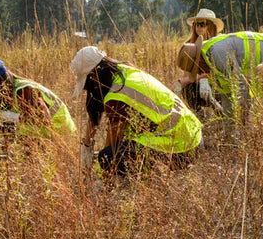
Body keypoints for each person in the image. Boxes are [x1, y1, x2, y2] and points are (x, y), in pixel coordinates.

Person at [71, 46, 202, 176]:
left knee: (108, 156)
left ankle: (155, 176)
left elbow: (112, 146)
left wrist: (102, 179)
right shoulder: (126, 71)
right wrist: (86, 145)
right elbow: (96, 109)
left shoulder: (117, 94)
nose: (88, 91)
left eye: (87, 86)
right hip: (194, 136)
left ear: (93, 76)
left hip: (182, 147)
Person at [176, 31, 263, 117]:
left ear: (199, 61)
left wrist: (241, 124)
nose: (200, 74)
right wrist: (229, 126)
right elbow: (228, 101)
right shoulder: (214, 66)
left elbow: (241, 86)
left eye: (197, 70)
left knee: (262, 71)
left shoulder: (217, 52)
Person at [0, 58, 76, 137]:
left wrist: (9, 116)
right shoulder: (8, 93)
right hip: (45, 132)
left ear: (1, 82)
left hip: (61, 130)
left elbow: (43, 119)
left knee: (8, 121)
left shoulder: (24, 90)